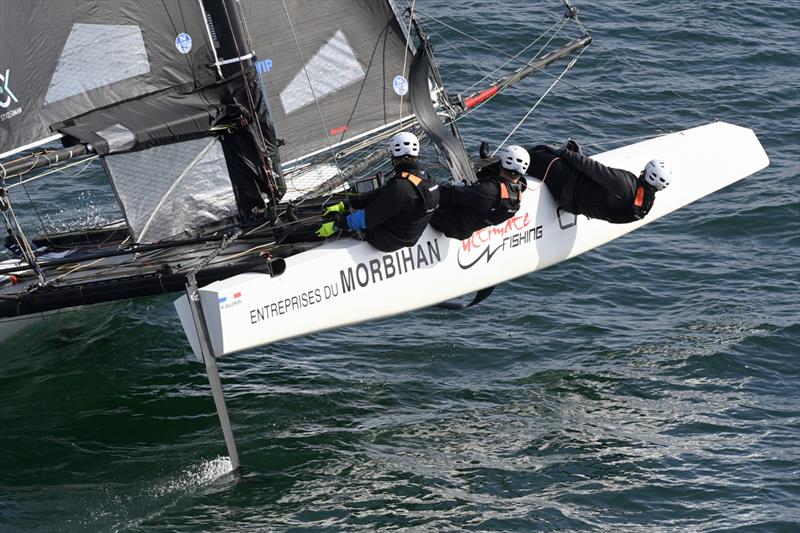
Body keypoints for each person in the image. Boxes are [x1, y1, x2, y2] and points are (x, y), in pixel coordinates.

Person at [315, 131, 439, 252]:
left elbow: (367, 217)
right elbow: (382, 194)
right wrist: (346, 204)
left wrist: (336, 224)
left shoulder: (401, 187)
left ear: (394, 157)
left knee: (347, 219)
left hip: (386, 241)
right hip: (405, 235)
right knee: (358, 212)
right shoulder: (425, 179)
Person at [527, 141, 671, 223]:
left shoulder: (625, 184)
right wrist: (578, 156)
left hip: (568, 187)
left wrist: (566, 153)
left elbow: (594, 170)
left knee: (535, 154)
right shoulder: (644, 204)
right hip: (573, 204)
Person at [430, 145, 530, 240]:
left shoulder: (486, 191)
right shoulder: (516, 196)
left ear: (501, 164)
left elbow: (448, 195)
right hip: (466, 228)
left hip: (448, 223)